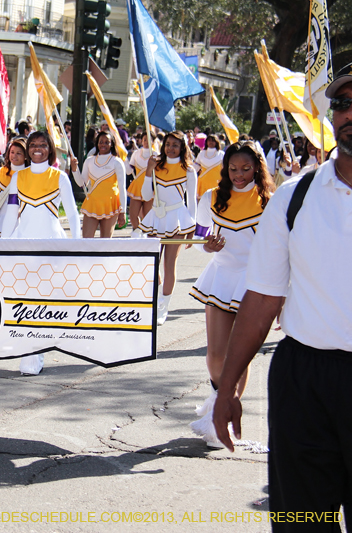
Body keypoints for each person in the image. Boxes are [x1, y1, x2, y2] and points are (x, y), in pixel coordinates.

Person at [213, 65, 352, 528]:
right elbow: (261, 301)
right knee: (301, 521)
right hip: (304, 381)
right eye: (343, 104)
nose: (350, 114)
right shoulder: (295, 198)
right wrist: (227, 388)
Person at [187, 141, 274, 449]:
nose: (239, 175)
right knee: (215, 355)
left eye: (246, 169)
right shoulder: (211, 197)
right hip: (221, 276)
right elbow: (200, 236)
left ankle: (220, 417)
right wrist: (207, 246)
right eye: (233, 169)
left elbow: (279, 249)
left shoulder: (269, 201)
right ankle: (218, 398)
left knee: (240, 353)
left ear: (257, 169)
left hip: (253, 280)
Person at [0, 130, 81, 376]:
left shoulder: (60, 177)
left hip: (51, 246)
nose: (37, 149)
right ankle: (30, 353)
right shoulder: (18, 177)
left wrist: (78, 247)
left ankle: (37, 351)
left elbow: (73, 214)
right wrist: (3, 246)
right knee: (25, 300)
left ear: (50, 149)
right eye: (33, 144)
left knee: (44, 301)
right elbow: (11, 214)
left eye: (42, 145)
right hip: (24, 245)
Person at [139, 131, 197, 325]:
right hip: (157, 218)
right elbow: (146, 195)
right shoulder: (156, 166)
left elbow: (192, 201)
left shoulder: (188, 170)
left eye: (175, 145)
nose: (171, 148)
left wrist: (192, 227)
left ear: (182, 148)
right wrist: (149, 171)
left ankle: (164, 306)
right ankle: (158, 297)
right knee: (153, 262)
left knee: (169, 264)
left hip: (177, 219)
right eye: (168, 144)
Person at [76, 131, 127, 238]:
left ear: (112, 144)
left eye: (107, 142)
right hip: (92, 203)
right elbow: (82, 183)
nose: (103, 144)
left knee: (105, 241)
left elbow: (122, 188)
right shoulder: (89, 161)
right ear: (97, 143)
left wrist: (123, 211)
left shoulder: (117, 162)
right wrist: (74, 169)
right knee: (86, 239)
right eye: (101, 142)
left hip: (110, 204)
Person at [0, 138, 28, 237]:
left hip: (23, 222)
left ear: (26, 156)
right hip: (2, 221)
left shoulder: (30, 173)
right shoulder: (2, 171)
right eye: (12, 152)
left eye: (19, 153)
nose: (14, 156)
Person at [127, 133, 154, 238]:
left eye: (149, 140)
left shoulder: (156, 155)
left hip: (150, 188)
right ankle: (137, 233)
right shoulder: (136, 153)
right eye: (144, 140)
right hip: (137, 187)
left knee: (147, 216)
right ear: (141, 141)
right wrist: (124, 160)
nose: (146, 142)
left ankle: (146, 236)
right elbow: (129, 171)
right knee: (133, 215)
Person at [195, 134, 225, 201]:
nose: (211, 142)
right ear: (206, 142)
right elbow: (196, 167)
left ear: (216, 142)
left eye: (213, 141)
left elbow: (224, 169)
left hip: (216, 182)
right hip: (203, 182)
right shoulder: (201, 153)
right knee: (202, 202)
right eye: (209, 140)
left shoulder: (221, 154)